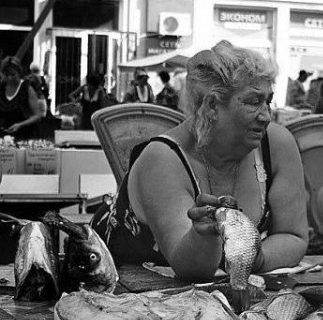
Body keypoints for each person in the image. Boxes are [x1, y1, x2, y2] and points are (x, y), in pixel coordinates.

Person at [91, 40, 308, 281]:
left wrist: (257, 258)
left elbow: (294, 235)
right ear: (212, 105)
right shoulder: (162, 159)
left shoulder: (276, 145)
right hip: (116, 293)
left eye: (268, 101)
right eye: (253, 102)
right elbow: (191, 269)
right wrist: (203, 237)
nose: (266, 115)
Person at [0, 56, 43, 139]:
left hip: (25, 136)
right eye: (6, 75)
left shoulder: (27, 89)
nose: (10, 78)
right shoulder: (1, 88)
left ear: (19, 73)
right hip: (4, 137)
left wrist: (20, 125)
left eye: (13, 74)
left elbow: (37, 115)